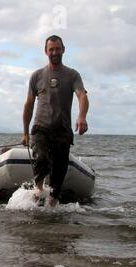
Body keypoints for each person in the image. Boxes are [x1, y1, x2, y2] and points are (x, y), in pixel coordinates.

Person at [21, 35, 89, 207]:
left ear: (63, 50)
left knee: (58, 176)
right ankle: (38, 187)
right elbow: (29, 104)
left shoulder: (72, 75)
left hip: (62, 130)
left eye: (57, 49)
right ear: (46, 51)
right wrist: (24, 132)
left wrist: (82, 116)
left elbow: (82, 95)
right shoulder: (36, 76)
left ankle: (51, 212)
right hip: (40, 128)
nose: (54, 52)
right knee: (42, 158)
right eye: (51, 49)